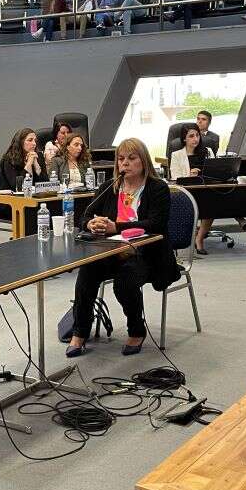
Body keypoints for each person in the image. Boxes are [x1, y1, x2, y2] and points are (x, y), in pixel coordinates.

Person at [66, 138, 179, 358]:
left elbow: (156, 224)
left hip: (148, 255)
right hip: (111, 252)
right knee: (87, 271)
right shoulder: (110, 187)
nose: (124, 163)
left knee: (124, 281)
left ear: (143, 161)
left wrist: (116, 226)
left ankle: (136, 330)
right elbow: (85, 215)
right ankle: (80, 331)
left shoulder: (157, 188)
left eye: (131, 158)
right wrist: (91, 224)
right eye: (120, 159)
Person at [196, 111, 246, 232]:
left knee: (226, 188)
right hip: (195, 172)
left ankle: (238, 216)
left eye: (203, 119)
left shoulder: (213, 137)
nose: (199, 121)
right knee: (218, 192)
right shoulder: (191, 135)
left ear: (209, 122)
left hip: (209, 170)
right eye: (198, 118)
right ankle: (239, 217)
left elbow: (211, 153)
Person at [169, 124, 216, 254]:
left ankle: (199, 238)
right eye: (191, 136)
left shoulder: (208, 151)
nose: (195, 139)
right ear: (184, 138)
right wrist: (189, 175)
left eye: (197, 135)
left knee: (214, 203)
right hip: (187, 193)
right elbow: (175, 177)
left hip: (206, 190)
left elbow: (215, 170)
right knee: (208, 202)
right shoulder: (177, 155)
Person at [0, 128, 49, 192]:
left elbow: (46, 185)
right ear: (20, 142)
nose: (34, 143)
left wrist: (36, 165)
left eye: (35, 140)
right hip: (10, 196)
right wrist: (29, 164)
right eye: (30, 140)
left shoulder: (38, 156)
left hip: (33, 196)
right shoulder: (8, 159)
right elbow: (17, 187)